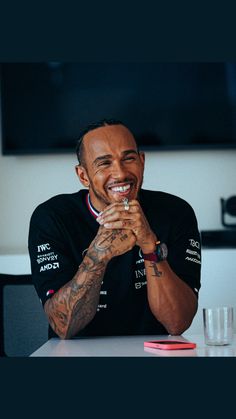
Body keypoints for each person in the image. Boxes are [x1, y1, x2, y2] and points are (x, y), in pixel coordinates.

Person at [28, 119, 201, 339]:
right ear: (83, 176)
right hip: (78, 358)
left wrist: (149, 244)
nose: (120, 173)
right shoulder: (53, 217)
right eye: (104, 163)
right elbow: (64, 327)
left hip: (152, 355)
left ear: (142, 161)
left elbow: (177, 324)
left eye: (128, 158)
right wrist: (98, 255)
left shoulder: (176, 212)